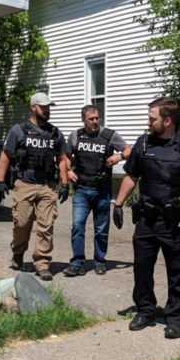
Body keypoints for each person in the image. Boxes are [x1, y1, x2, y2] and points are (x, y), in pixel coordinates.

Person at [112, 97, 180, 339]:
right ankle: (145, 310)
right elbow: (131, 176)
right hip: (147, 220)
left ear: (167, 120)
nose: (148, 122)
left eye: (153, 118)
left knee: (178, 272)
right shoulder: (143, 144)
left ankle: (174, 317)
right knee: (141, 269)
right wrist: (118, 204)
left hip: (176, 223)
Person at [0, 92, 69, 281]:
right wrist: (0, 181)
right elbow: (5, 156)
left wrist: (65, 183)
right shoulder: (18, 130)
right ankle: (18, 252)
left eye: (48, 107)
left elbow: (62, 159)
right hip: (24, 184)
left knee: (46, 226)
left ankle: (42, 263)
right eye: (43, 106)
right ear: (33, 107)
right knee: (22, 223)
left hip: (46, 186)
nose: (47, 110)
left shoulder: (54, 132)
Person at [62, 105, 132, 276]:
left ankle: (100, 261)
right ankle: (77, 262)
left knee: (101, 229)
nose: (95, 121)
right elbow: (64, 156)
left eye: (97, 118)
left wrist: (118, 157)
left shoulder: (109, 135)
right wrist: (68, 171)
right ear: (83, 120)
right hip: (81, 190)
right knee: (78, 225)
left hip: (102, 189)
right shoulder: (76, 136)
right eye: (91, 119)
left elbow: (129, 150)